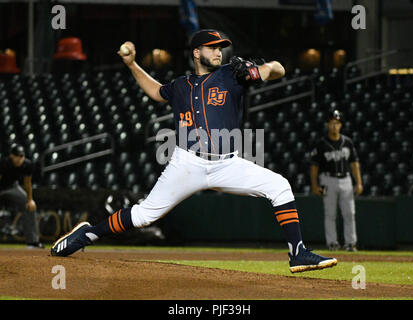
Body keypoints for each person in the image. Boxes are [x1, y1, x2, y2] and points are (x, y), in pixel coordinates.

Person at [51, 29, 337, 273]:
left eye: (221, 48)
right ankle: (86, 234)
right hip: (187, 163)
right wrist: (132, 64)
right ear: (197, 52)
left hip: (228, 164)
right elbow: (155, 91)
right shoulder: (180, 85)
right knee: (143, 216)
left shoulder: (231, 75)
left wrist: (255, 69)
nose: (219, 52)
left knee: (280, 186)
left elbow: (278, 69)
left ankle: (297, 253)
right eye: (212, 48)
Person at [310, 110, 363, 252]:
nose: (334, 126)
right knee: (330, 214)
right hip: (328, 179)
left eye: (337, 123)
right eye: (332, 123)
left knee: (349, 213)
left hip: (346, 179)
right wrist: (315, 185)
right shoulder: (321, 144)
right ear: (328, 125)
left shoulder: (347, 142)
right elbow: (314, 167)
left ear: (341, 125)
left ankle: (351, 243)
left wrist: (359, 182)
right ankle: (332, 243)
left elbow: (354, 163)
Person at [0, 144, 43, 248]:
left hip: (12, 187)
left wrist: (30, 200)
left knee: (30, 206)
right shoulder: (3, 163)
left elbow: (28, 183)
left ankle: (32, 242)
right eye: (17, 156)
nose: (19, 159)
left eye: (21, 156)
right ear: (11, 156)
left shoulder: (27, 164)